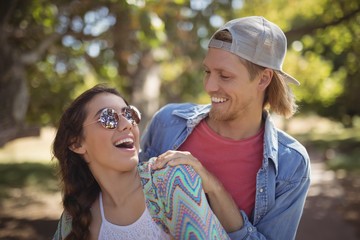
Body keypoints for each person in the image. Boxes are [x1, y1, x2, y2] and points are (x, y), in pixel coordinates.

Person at [140, 16, 311, 240]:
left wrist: (215, 189)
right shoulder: (168, 122)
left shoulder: (291, 164)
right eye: (207, 71)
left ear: (263, 79)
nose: (210, 86)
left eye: (225, 76)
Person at [52, 84, 230, 240]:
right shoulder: (74, 216)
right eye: (108, 118)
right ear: (76, 143)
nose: (127, 124)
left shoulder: (171, 181)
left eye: (129, 114)